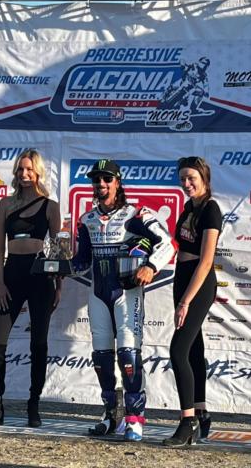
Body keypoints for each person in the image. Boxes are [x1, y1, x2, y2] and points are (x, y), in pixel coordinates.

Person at [72, 159, 175, 442]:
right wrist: (55, 266)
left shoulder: (137, 214)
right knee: (101, 359)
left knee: (128, 357)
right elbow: (81, 261)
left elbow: (167, 243)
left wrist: (151, 266)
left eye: (107, 180)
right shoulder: (86, 220)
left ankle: (135, 418)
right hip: (98, 295)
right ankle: (110, 415)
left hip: (126, 295)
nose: (101, 185)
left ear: (118, 183)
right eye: (96, 181)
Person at [0, 149, 62, 429]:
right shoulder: (5, 204)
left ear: (38, 172)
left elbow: (58, 251)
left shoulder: (50, 206)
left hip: (41, 278)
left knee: (38, 344)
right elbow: (0, 248)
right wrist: (0, 283)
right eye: (20, 170)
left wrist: (59, 284)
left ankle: (33, 404)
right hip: (13, 274)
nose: (24, 175)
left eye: (29, 170)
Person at [162, 156, 221, 447]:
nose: (186, 184)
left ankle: (186, 422)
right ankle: (200, 410)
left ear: (204, 178)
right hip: (182, 277)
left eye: (191, 179)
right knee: (194, 349)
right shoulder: (188, 208)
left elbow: (207, 260)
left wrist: (186, 301)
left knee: (178, 349)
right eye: (183, 178)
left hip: (199, 283)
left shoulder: (211, 209)